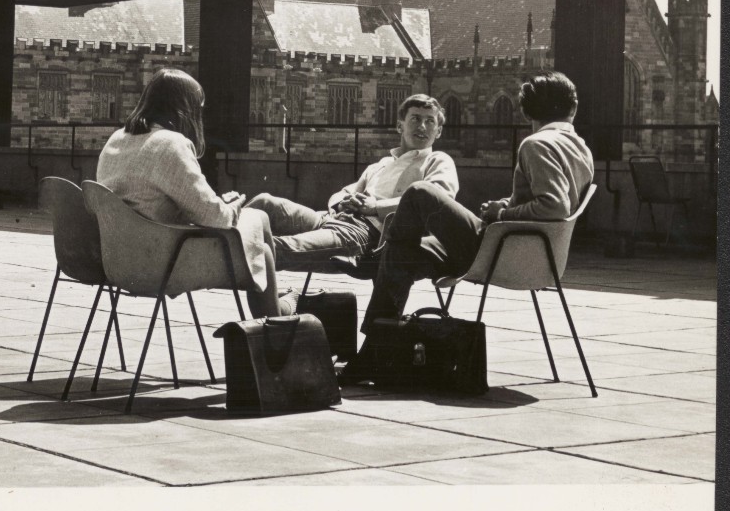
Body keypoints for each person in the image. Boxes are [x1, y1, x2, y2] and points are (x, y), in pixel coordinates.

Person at [358, 71, 595, 332]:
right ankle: (375, 350)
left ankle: (374, 265)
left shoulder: (537, 144)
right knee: (400, 254)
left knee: (420, 193)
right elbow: (553, 200)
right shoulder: (578, 147)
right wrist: (504, 204)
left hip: (503, 250)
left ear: (528, 112)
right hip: (537, 256)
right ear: (572, 107)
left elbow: (553, 206)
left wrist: (502, 212)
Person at [96, 68, 295, 319]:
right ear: (185, 110)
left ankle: (276, 315)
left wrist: (214, 205)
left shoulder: (117, 138)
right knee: (261, 237)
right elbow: (215, 219)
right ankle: (275, 324)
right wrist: (231, 206)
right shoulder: (170, 143)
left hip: (116, 260)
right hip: (159, 262)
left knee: (259, 238)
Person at [245, 95, 457, 271]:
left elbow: (437, 199)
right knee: (265, 203)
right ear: (400, 126)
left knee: (277, 248)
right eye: (415, 119)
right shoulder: (381, 164)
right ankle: (217, 238)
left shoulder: (438, 160)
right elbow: (344, 192)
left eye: (430, 121)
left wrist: (375, 207)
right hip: (332, 218)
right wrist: (344, 201)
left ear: (438, 131)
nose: (422, 126)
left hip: (366, 234)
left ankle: (226, 258)